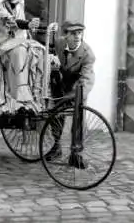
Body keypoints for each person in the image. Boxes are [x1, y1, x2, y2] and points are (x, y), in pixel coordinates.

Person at [46, 21, 95, 169]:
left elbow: (87, 79)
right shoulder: (59, 43)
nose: (77, 36)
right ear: (65, 35)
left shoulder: (87, 54)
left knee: (78, 117)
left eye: (80, 33)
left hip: (77, 87)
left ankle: (76, 154)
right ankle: (56, 147)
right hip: (61, 84)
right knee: (55, 114)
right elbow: (47, 51)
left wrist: (75, 95)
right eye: (73, 33)